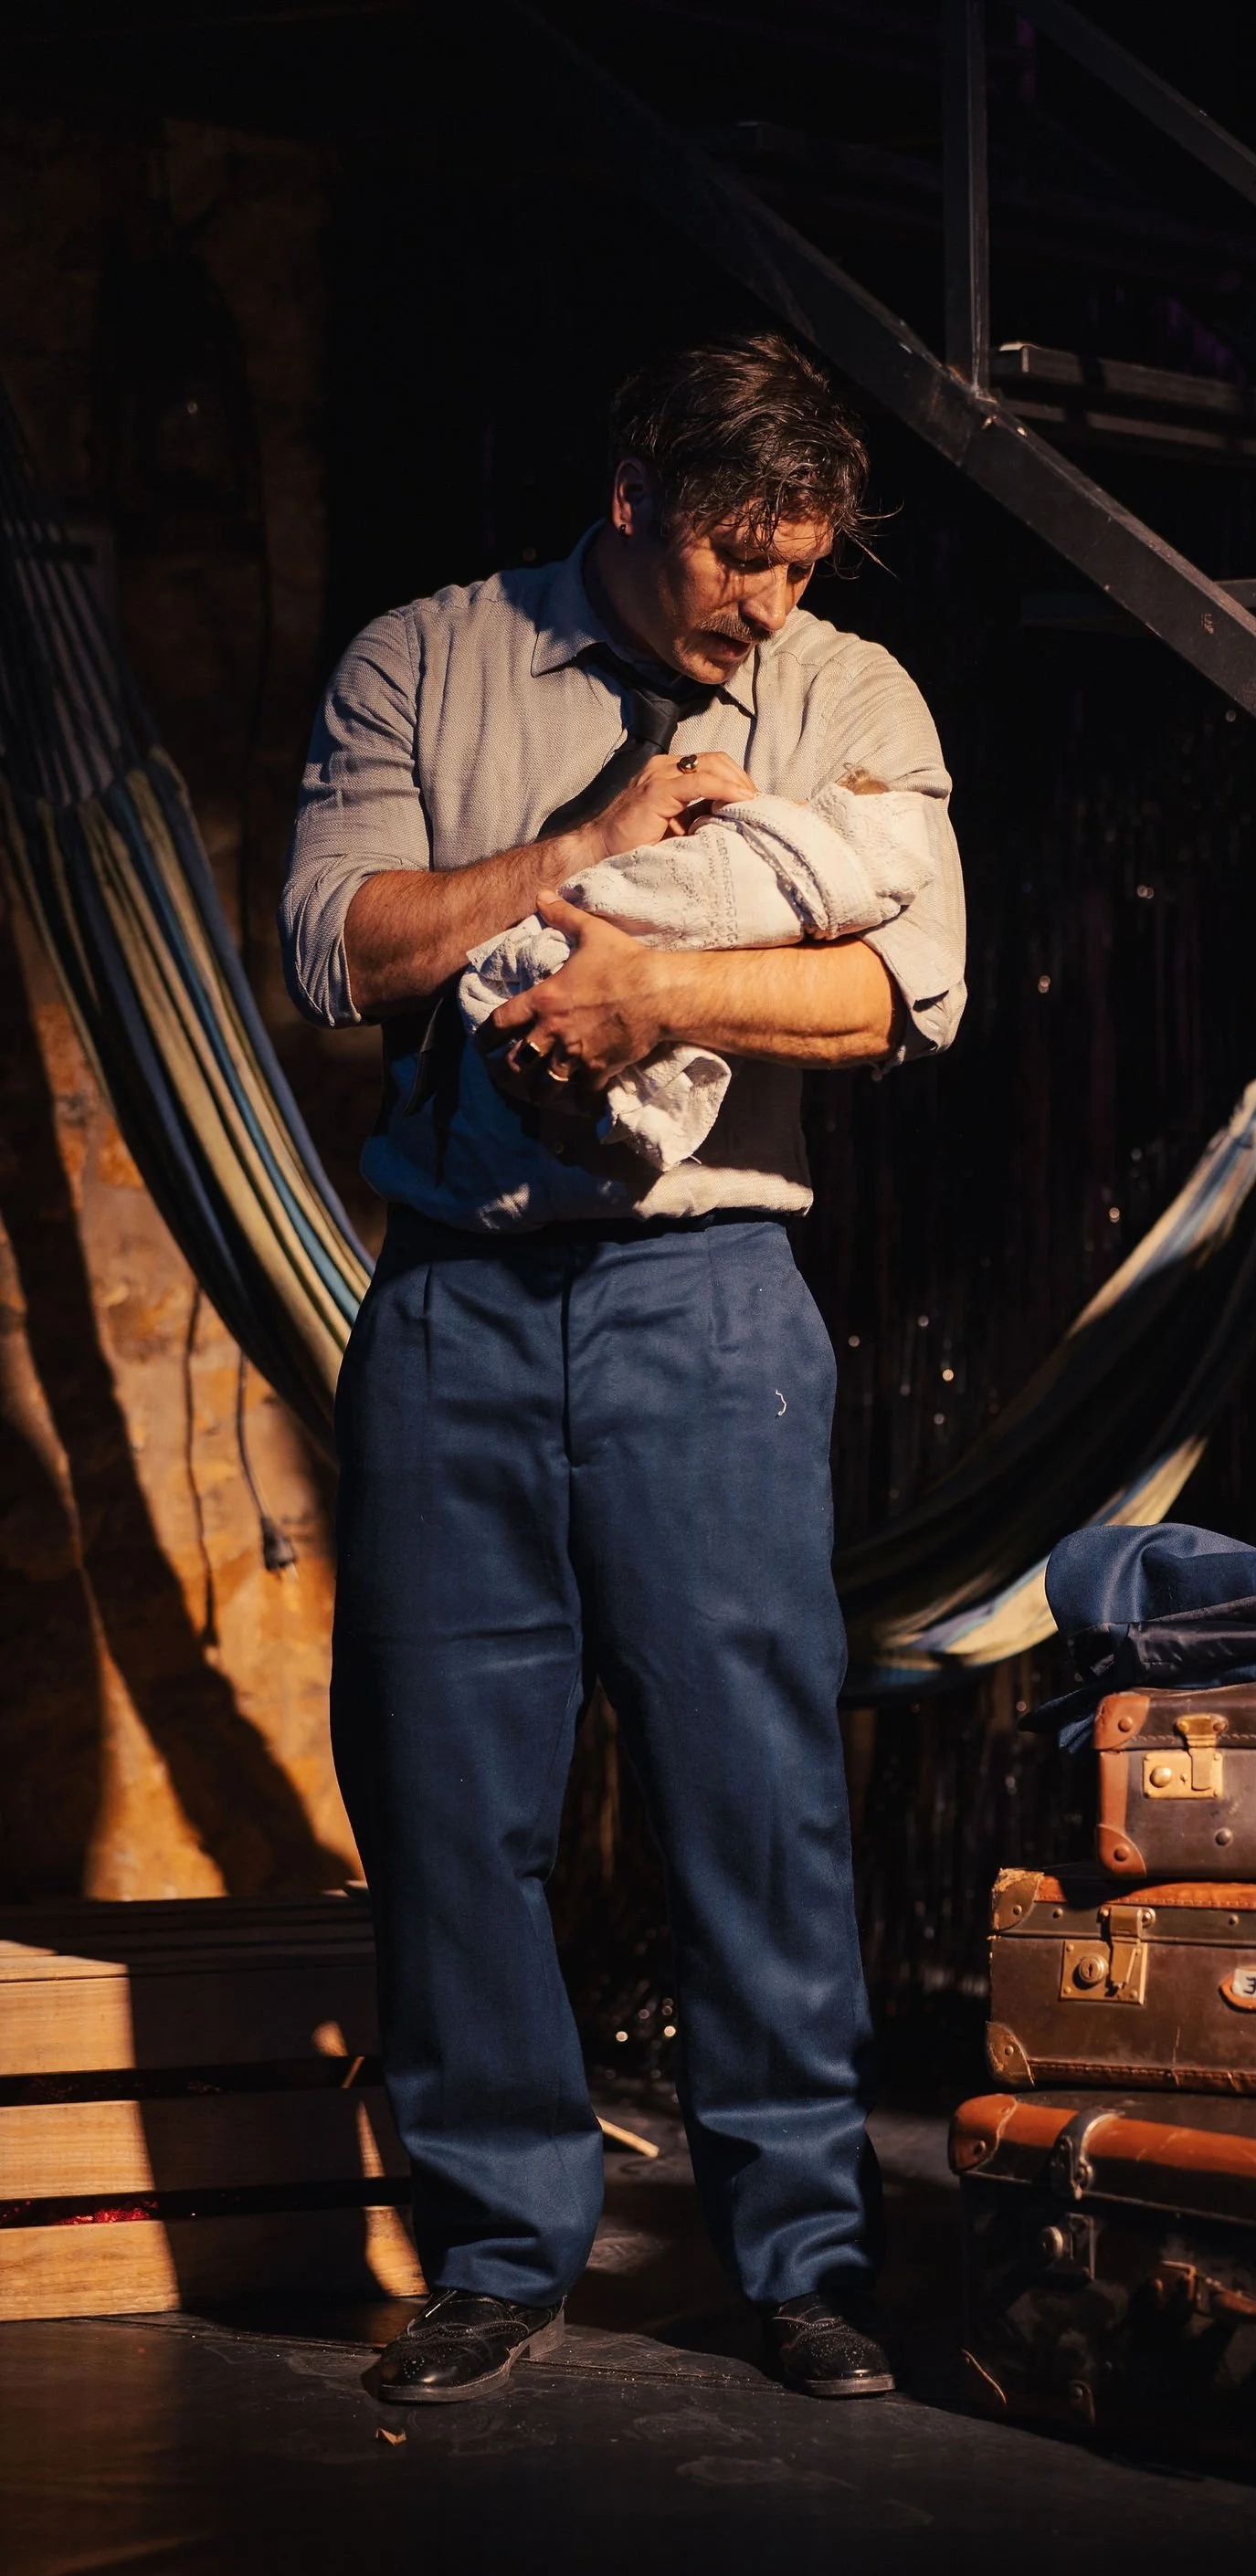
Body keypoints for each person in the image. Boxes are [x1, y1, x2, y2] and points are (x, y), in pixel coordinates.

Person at [280, 331, 966, 2403]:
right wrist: (582, 847)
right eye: (739, 557)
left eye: (802, 562)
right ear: (633, 499)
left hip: (710, 1305)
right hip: (458, 1302)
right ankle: (499, 2248)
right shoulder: (426, 662)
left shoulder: (849, 690)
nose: (770, 602)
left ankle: (802, 2256)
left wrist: (655, 988)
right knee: (446, 1790)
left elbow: (905, 993)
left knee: (752, 1794)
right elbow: (334, 948)